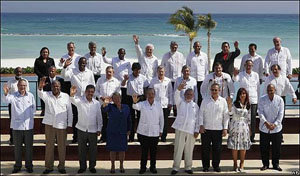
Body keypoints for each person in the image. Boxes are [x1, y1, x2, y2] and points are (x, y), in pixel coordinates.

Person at [38, 78, 72, 174]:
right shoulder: (47, 95)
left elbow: (70, 112)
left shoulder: (66, 96)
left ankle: (61, 166)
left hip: (62, 125)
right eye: (54, 86)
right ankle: (49, 167)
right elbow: (40, 93)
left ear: (60, 87)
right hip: (49, 124)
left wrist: (69, 125)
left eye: (57, 86)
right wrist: (40, 86)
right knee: (49, 146)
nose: (56, 87)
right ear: (51, 87)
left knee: (62, 147)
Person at [2, 79, 35, 174]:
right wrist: (5, 93)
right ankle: (17, 166)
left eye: (24, 85)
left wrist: (30, 118)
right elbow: (6, 100)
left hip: (28, 126)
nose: (22, 87)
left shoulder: (31, 96)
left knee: (29, 147)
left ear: (26, 86)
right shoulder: (13, 96)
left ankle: (29, 166)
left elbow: (33, 109)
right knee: (17, 148)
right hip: (17, 127)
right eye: (21, 85)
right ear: (18, 86)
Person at [61, 57, 95, 143]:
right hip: (75, 99)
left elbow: (92, 85)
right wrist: (65, 67)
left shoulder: (90, 72)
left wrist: (92, 98)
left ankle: (86, 138)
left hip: (86, 99)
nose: (82, 64)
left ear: (86, 64)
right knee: (76, 118)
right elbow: (64, 76)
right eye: (81, 63)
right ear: (78, 63)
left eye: (84, 63)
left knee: (86, 118)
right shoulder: (72, 71)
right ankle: (75, 137)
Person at [70, 85, 102, 174]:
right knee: (81, 150)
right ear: (85, 92)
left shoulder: (97, 103)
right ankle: (82, 167)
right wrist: (72, 95)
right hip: (81, 129)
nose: (90, 93)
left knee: (93, 150)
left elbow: (99, 117)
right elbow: (72, 100)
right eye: (89, 91)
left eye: (92, 92)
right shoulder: (80, 101)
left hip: (93, 130)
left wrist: (99, 128)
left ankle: (92, 167)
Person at [199, 83, 229, 172]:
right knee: (205, 149)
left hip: (218, 129)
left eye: (216, 90)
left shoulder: (223, 101)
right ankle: (205, 166)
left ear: (219, 90)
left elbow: (226, 115)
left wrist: (225, 128)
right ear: (210, 91)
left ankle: (216, 166)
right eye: (212, 90)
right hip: (206, 129)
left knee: (217, 149)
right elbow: (201, 114)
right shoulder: (205, 100)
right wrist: (201, 125)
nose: (214, 91)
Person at [132, 88, 164, 174]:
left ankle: (153, 167)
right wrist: (135, 102)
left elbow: (161, 118)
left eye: (152, 94)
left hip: (154, 132)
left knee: (153, 152)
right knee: (144, 152)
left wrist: (161, 130)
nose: (150, 95)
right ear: (146, 95)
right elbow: (135, 107)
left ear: (154, 95)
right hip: (143, 132)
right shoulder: (142, 104)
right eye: (149, 94)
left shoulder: (158, 105)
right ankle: (143, 167)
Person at [170, 83, 200, 175]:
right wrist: (178, 89)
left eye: (191, 94)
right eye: (187, 94)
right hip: (180, 128)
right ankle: (176, 167)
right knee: (178, 148)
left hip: (191, 130)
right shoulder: (180, 103)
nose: (189, 96)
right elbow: (176, 96)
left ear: (193, 96)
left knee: (189, 149)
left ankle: (188, 167)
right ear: (184, 95)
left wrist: (196, 130)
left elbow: (198, 119)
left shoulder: (195, 106)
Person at [263, 64, 297, 142]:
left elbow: (290, 88)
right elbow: (265, 90)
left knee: (281, 118)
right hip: (270, 99)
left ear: (279, 70)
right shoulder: (269, 79)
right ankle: (270, 135)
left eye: (276, 69)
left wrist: (294, 96)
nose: (275, 71)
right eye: (273, 70)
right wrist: (262, 101)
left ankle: (279, 136)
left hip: (281, 99)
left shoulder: (284, 79)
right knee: (270, 117)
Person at [102, 92, 131, 174]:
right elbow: (104, 110)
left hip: (122, 131)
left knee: (122, 150)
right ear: (112, 100)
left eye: (118, 98)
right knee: (113, 150)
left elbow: (129, 119)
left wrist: (129, 129)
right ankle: (113, 165)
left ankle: (121, 165)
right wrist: (105, 103)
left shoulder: (126, 107)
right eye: (114, 98)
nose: (116, 100)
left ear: (121, 98)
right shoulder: (110, 107)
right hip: (112, 131)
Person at [258, 84, 284, 172]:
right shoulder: (262, 99)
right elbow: (260, 112)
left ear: (275, 90)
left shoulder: (280, 100)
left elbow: (281, 114)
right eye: (268, 90)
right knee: (264, 148)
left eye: (271, 90)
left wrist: (275, 124)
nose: (270, 92)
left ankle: (276, 164)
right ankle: (265, 164)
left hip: (276, 128)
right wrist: (266, 122)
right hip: (264, 127)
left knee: (276, 148)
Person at [233, 60, 260, 143]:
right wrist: (235, 74)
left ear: (252, 66)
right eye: (247, 65)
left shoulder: (256, 75)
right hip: (243, 100)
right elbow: (235, 79)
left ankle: (251, 137)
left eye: (250, 65)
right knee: (243, 119)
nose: (249, 67)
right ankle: (244, 136)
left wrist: (258, 100)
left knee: (252, 120)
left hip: (253, 100)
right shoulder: (241, 74)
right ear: (245, 65)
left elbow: (258, 88)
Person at [122, 62, 149, 142]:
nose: (137, 72)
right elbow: (122, 85)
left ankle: (141, 136)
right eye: (136, 70)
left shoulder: (143, 78)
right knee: (131, 118)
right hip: (130, 98)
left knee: (141, 118)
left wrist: (145, 98)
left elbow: (146, 88)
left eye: (139, 70)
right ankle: (131, 137)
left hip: (140, 98)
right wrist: (125, 80)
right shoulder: (128, 77)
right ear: (132, 70)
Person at [227, 88, 251, 172]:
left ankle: (242, 163)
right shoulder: (235, 104)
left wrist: (250, 128)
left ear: (246, 95)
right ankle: (235, 163)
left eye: (244, 93)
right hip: (235, 127)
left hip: (244, 128)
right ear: (238, 95)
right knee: (234, 146)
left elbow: (249, 118)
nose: (242, 95)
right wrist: (229, 104)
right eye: (241, 93)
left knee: (243, 146)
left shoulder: (248, 105)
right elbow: (230, 113)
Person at [95, 66, 121, 143]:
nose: (108, 73)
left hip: (112, 104)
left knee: (112, 122)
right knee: (103, 121)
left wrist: (112, 98)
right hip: (102, 104)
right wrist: (101, 97)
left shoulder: (116, 82)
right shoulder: (100, 80)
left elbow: (119, 92)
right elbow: (96, 91)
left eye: (110, 72)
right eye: (107, 72)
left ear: (113, 73)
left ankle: (112, 138)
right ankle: (103, 137)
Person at [6, 67, 30, 145]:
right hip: (12, 105)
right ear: (14, 72)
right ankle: (12, 139)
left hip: (23, 105)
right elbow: (7, 92)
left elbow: (28, 92)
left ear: (22, 72)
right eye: (17, 72)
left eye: (20, 72)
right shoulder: (10, 81)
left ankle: (22, 139)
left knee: (23, 121)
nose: (19, 73)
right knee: (12, 121)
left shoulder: (25, 81)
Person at [160, 41, 185, 116]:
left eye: (176, 47)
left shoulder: (181, 55)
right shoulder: (165, 56)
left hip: (178, 80)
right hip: (168, 80)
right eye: (173, 47)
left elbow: (183, 67)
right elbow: (162, 67)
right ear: (170, 46)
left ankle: (176, 114)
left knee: (177, 97)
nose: (174, 48)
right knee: (168, 96)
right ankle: (166, 113)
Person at [149, 66, 173, 142]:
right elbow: (150, 92)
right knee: (155, 121)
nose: (161, 73)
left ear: (164, 72)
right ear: (157, 72)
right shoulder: (153, 81)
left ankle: (163, 137)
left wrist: (170, 103)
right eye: (159, 71)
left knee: (165, 122)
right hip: (155, 105)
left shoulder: (168, 81)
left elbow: (170, 93)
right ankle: (155, 136)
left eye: (162, 71)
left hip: (165, 104)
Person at [34, 47, 55, 116]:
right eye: (43, 52)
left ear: (48, 53)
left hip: (49, 80)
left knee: (49, 95)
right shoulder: (37, 60)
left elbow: (53, 69)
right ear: (41, 53)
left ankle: (50, 110)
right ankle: (43, 110)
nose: (45, 53)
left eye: (46, 52)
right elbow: (36, 70)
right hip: (41, 80)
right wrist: (42, 76)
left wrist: (49, 76)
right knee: (42, 95)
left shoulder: (51, 60)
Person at [186, 41, 209, 106]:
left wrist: (206, 79)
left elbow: (206, 68)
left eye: (198, 46)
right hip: (192, 79)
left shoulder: (204, 55)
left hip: (202, 79)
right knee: (192, 95)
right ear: (193, 47)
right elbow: (187, 67)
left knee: (201, 95)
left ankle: (200, 109)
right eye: (196, 46)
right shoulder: (190, 55)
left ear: (200, 47)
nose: (197, 47)